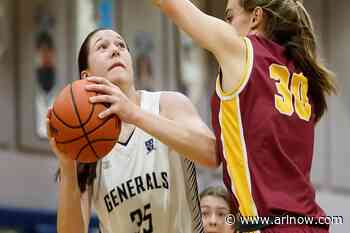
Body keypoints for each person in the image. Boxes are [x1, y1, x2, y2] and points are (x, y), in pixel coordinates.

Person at [151, 0, 337, 232]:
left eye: (229, 17)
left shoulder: (243, 51)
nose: (226, 26)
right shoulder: (303, 76)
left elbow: (172, 5)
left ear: (256, 17)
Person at [47, 28, 218, 233]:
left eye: (121, 45)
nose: (115, 50)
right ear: (86, 76)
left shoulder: (168, 105)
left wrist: (134, 114)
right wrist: (67, 165)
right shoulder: (86, 147)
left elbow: (212, 154)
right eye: (102, 46)